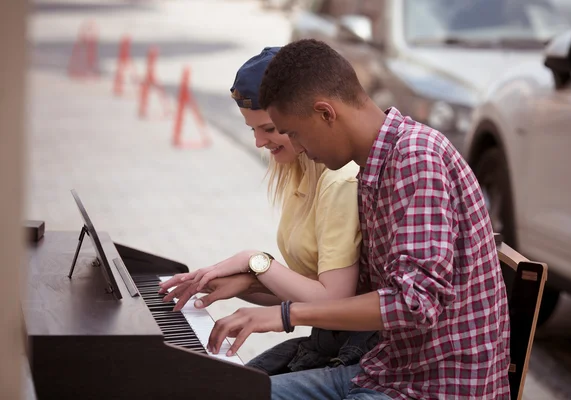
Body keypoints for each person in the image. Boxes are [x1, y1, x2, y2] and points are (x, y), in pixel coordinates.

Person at [204, 39, 511, 399]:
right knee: (233, 391)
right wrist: (252, 283)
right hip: (386, 371)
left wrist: (289, 316)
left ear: (326, 113)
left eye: (294, 133)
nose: (298, 147)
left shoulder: (416, 158)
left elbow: (414, 304)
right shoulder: (374, 167)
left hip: (436, 388)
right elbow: (362, 295)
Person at [158, 47, 378, 375]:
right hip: (329, 340)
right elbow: (305, 292)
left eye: (271, 129)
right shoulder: (298, 170)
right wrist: (247, 283)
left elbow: (330, 301)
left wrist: (257, 262)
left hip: (355, 351)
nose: (260, 142)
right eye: (252, 130)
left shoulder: (339, 181)